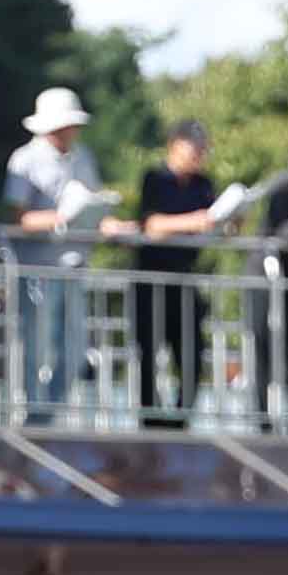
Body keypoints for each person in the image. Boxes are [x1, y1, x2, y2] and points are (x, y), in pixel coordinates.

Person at [4, 84, 104, 419]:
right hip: (37, 268)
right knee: (36, 346)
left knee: (75, 348)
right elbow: (18, 216)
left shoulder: (83, 157)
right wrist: (59, 218)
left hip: (73, 265)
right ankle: (35, 412)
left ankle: (49, 411)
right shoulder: (25, 159)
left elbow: (91, 201)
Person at [124, 118, 229, 426]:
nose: (198, 155)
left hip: (185, 277)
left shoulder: (203, 184)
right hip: (151, 277)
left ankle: (182, 418)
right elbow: (151, 224)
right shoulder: (155, 178)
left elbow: (212, 221)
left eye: (202, 149)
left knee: (192, 354)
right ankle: (149, 419)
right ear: (174, 146)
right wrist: (193, 222)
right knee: (149, 352)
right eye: (193, 148)